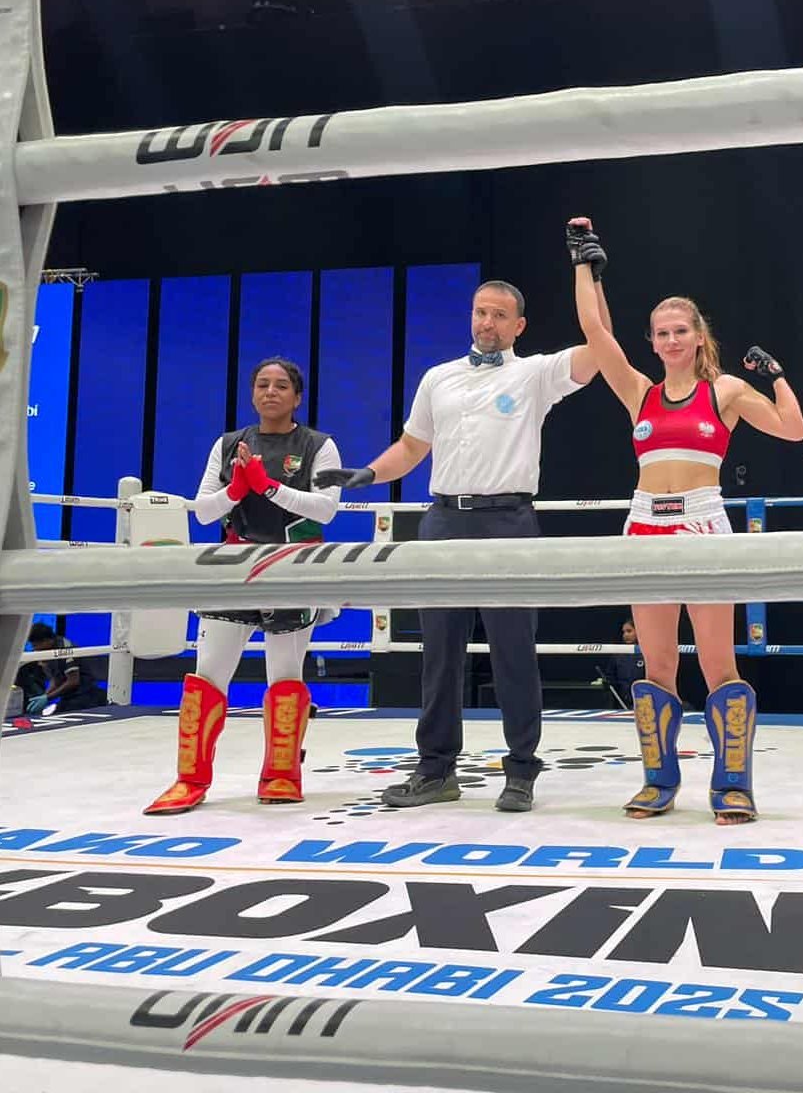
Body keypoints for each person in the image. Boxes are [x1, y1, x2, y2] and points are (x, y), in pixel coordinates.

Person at [315, 279, 600, 813]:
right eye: (480, 312)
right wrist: (367, 474)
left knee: (514, 650)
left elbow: (599, 349)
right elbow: (412, 447)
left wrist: (586, 274)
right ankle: (435, 770)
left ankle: (521, 770)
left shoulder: (535, 374)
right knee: (439, 652)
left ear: (519, 325)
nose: (486, 323)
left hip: (509, 520)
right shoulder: (437, 377)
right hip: (443, 519)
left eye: (499, 315)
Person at [569, 216, 803, 824]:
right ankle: (659, 781)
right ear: (652, 342)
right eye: (661, 333)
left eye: (681, 330)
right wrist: (584, 263)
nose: (671, 340)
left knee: (718, 664)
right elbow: (595, 331)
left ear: (699, 337)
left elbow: (794, 430)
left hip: (703, 525)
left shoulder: (724, 391)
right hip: (644, 525)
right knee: (656, 667)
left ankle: (732, 785)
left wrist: (777, 376)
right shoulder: (639, 392)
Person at [144, 357, 343, 815]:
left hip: (292, 566)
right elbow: (203, 512)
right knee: (207, 673)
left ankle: (282, 774)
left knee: (285, 674)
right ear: (252, 393)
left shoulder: (319, 446)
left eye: (280, 385)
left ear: (297, 396)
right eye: (262, 384)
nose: (270, 392)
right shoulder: (229, 444)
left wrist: (268, 487)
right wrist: (235, 490)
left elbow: (326, 509)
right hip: (234, 565)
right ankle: (189, 779)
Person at [23, 622, 106, 715]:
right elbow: (55, 680)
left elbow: (73, 681)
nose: (35, 649)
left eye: (35, 645)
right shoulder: (48, 651)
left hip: (84, 694)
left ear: (46, 640)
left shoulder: (66, 648)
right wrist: (44, 696)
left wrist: (48, 698)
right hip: (68, 696)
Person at [594, 617, 645, 706]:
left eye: (629, 631)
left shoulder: (646, 653)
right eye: (623, 632)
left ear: (638, 631)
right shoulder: (617, 654)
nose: (625, 635)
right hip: (622, 703)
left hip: (643, 702)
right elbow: (610, 676)